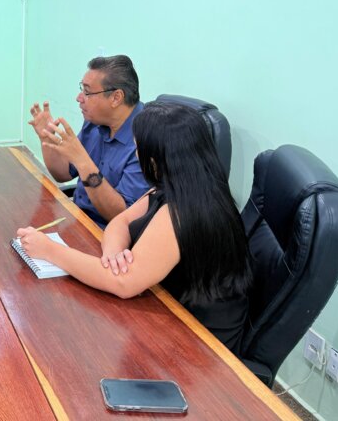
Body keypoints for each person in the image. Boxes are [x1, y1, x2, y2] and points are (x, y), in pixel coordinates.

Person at [17, 102, 252, 353]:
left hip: (199, 343)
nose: (136, 153)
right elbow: (120, 222)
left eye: (138, 147)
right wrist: (113, 255)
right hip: (163, 305)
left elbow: (124, 283)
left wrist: (50, 250)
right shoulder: (175, 185)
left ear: (156, 156)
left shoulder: (183, 210)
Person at [29, 55, 147, 228]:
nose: (79, 98)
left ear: (116, 97)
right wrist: (47, 138)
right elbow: (63, 174)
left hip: (111, 234)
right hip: (78, 219)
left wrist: (83, 162)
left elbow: (122, 216)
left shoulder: (145, 139)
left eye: (87, 92)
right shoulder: (95, 122)